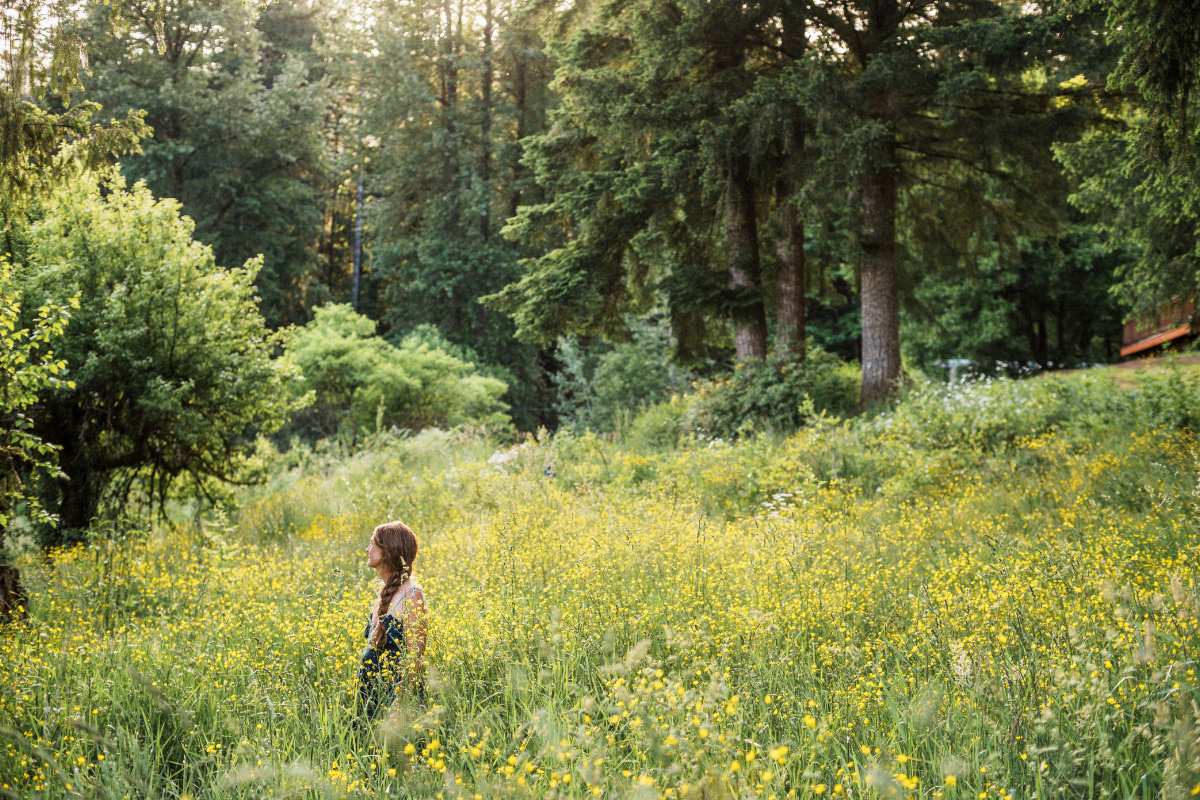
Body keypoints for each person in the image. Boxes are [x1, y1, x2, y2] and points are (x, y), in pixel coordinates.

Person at [357, 521, 426, 719]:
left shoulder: (412, 595)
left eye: (373, 544)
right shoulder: (384, 593)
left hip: (395, 703)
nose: (367, 549)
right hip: (370, 698)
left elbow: (415, 659)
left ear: (387, 551)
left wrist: (399, 706)